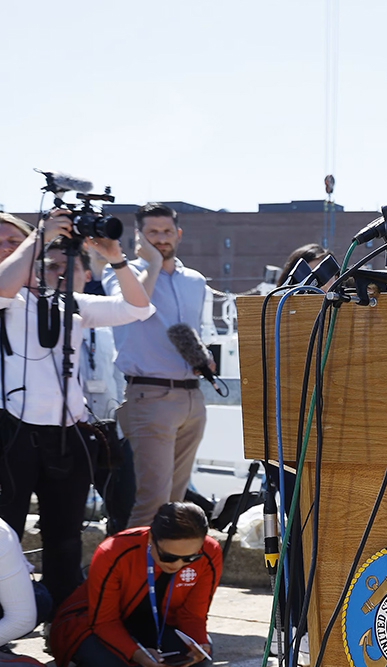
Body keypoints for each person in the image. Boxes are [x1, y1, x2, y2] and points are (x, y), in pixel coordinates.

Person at [0, 213, 154, 606]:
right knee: (6, 533)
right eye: (49, 266)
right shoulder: (11, 300)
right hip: (13, 433)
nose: (58, 273)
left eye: (67, 266)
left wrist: (116, 257)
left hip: (68, 437)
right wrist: (40, 233)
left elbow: (137, 307)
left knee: (66, 539)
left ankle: (65, 624)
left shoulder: (74, 304)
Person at [103, 204, 211, 529]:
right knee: (152, 502)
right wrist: (150, 262)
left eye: (166, 232)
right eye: (152, 233)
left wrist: (203, 355)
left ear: (178, 234)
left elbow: (194, 328)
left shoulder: (195, 280)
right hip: (149, 395)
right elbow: (135, 305)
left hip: (193, 397)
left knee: (176, 506)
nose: (161, 239)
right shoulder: (119, 272)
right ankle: (137, 576)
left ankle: (165, 578)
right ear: (139, 236)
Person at [49, 501, 221, 667]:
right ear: (151, 538)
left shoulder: (209, 552)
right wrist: (137, 654)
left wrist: (199, 644)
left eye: (190, 558)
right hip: (94, 623)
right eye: (169, 557)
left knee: (200, 660)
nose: (177, 564)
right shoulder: (114, 551)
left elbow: (193, 615)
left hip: (158, 625)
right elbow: (103, 621)